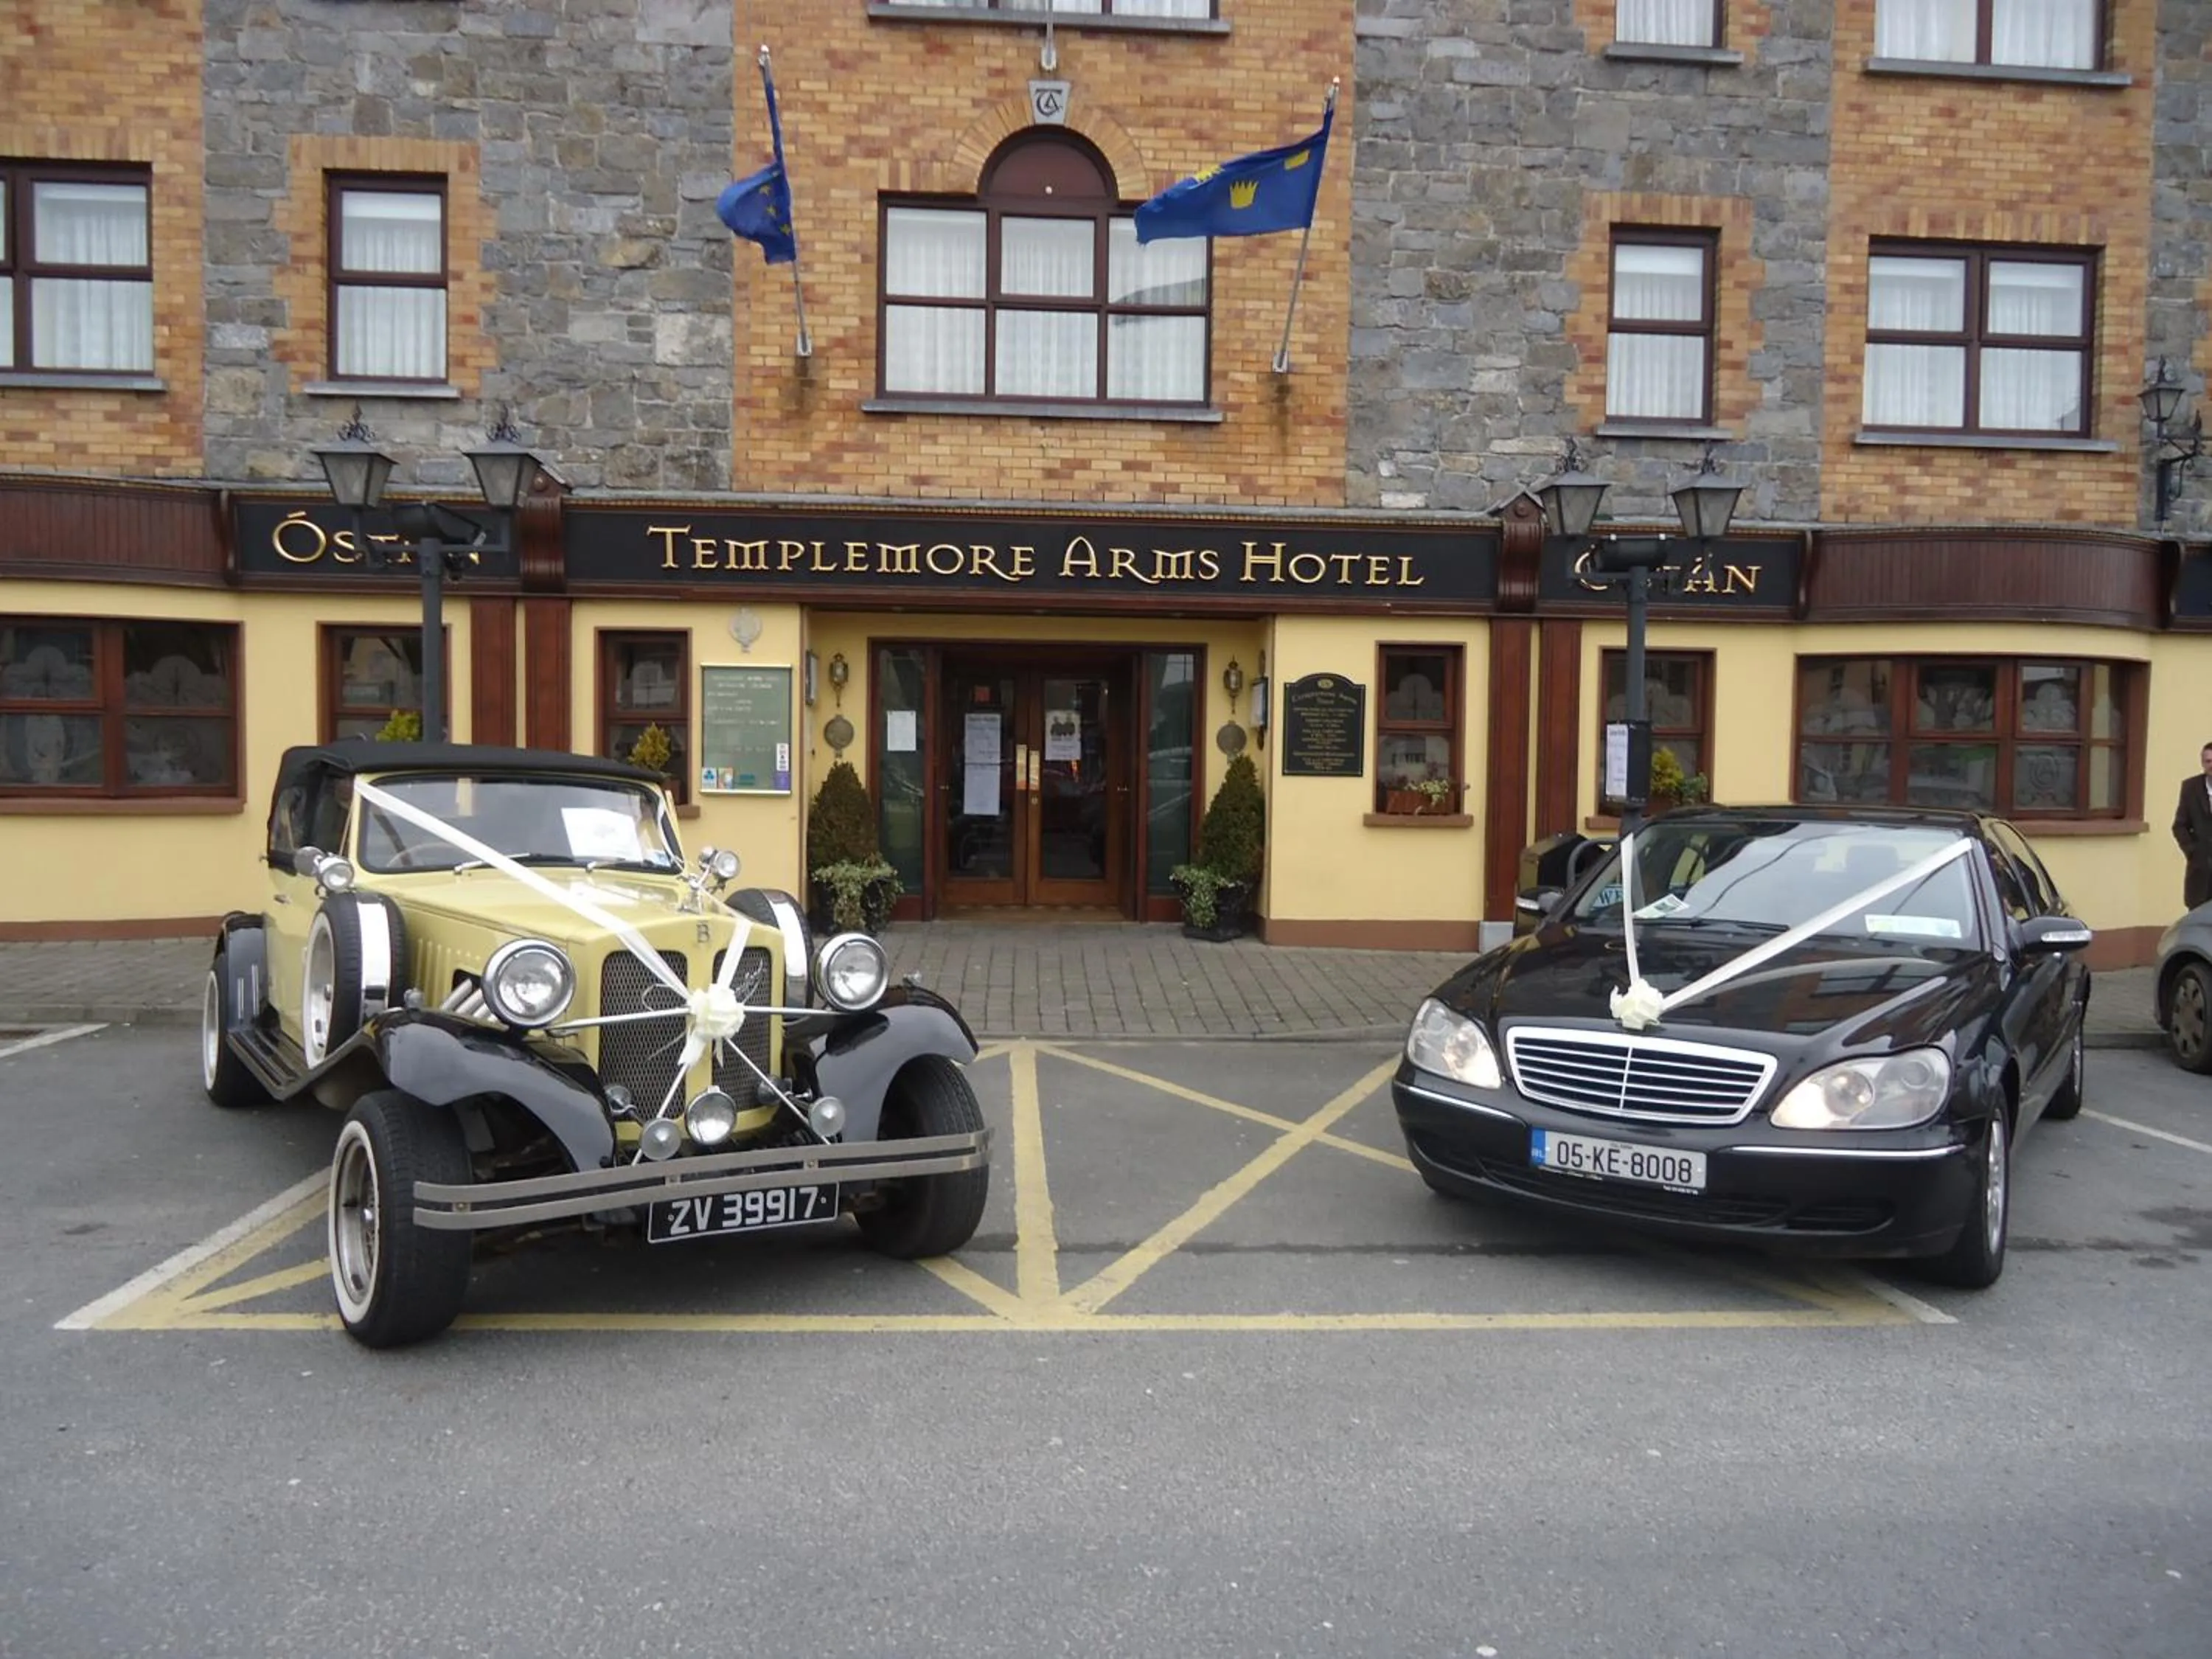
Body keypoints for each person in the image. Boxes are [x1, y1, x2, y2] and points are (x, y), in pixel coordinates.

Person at [2172, 741, 2212, 911]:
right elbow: (2180, 825)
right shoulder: (2191, 788)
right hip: (2200, 872)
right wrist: (2192, 851)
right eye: (2208, 761)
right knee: (2198, 919)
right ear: (2202, 763)